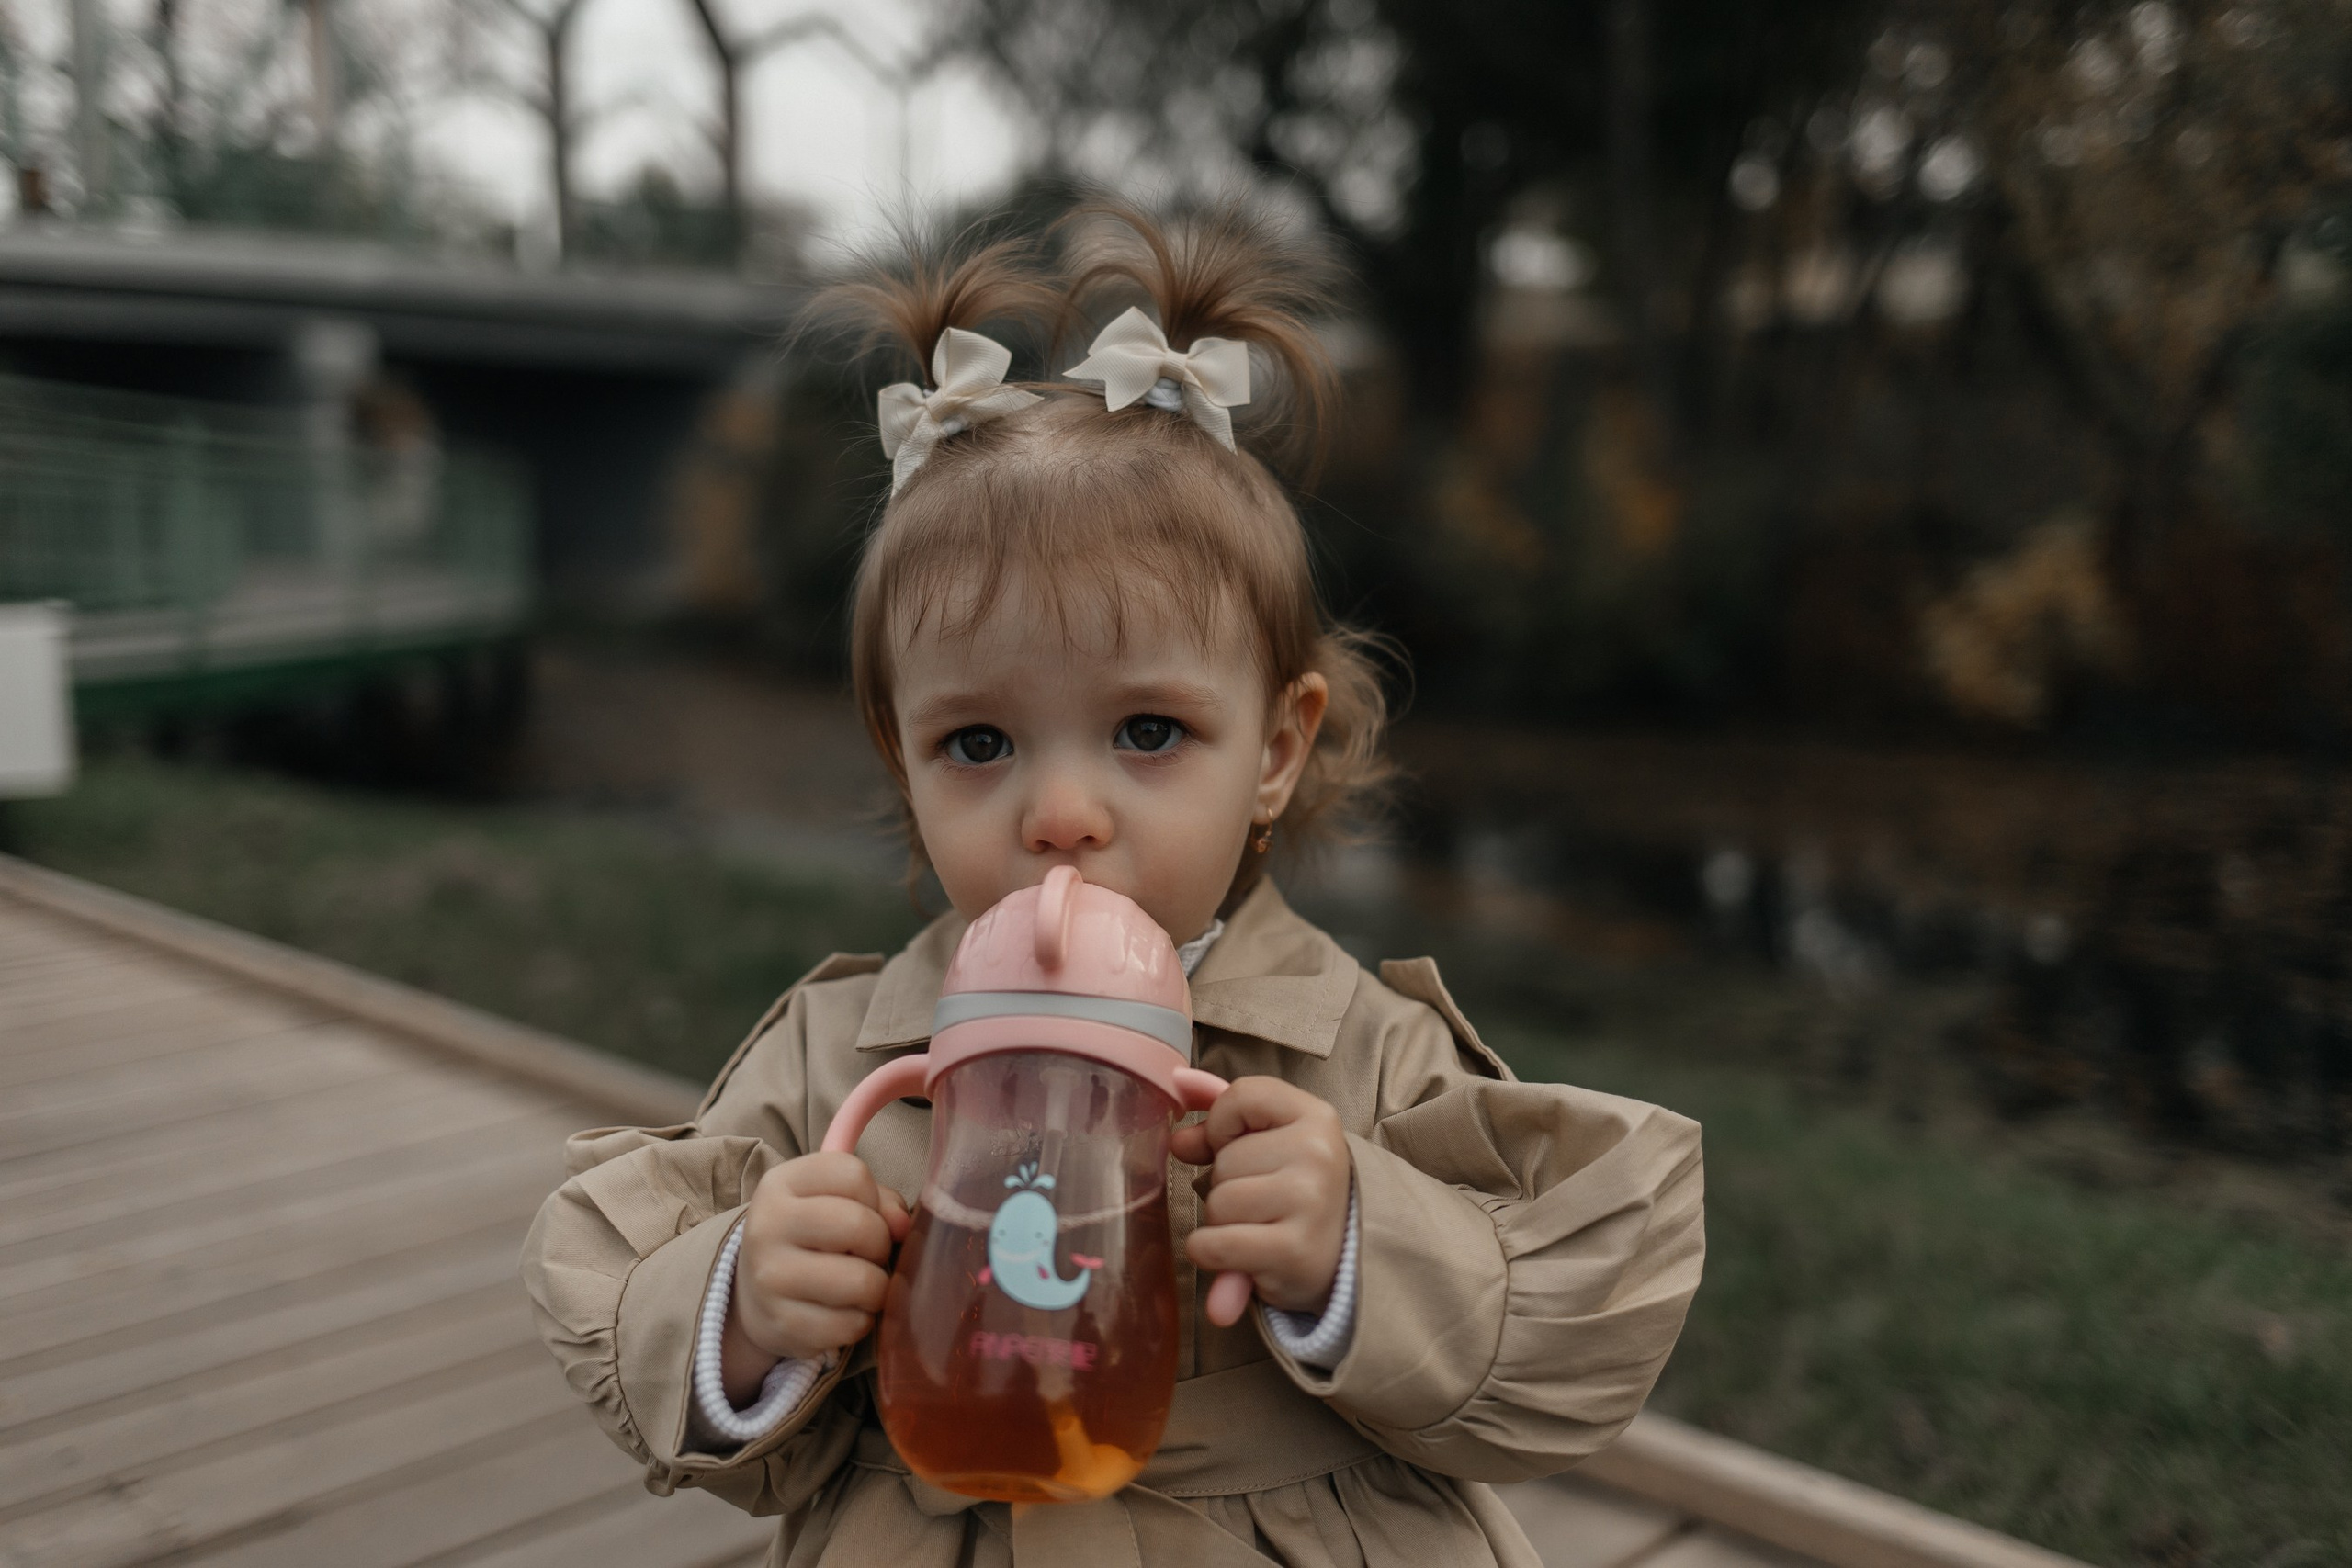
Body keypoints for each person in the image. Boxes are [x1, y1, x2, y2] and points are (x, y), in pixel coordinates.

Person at [520, 201, 1704, 1568]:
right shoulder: (834, 1059)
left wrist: (1364, 1247)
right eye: (979, 744)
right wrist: (741, 1304)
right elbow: (611, 1282)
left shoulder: (1367, 1057)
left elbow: (1580, 1320)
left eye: (1148, 733)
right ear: (902, 766)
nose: (1062, 816)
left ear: (1274, 749)